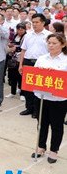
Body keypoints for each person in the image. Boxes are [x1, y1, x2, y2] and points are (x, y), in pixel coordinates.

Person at [31, 33, 67, 164]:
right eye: (49, 43)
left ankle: (54, 150)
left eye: (54, 43)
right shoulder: (42, 58)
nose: (50, 46)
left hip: (58, 99)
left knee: (56, 126)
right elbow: (34, 76)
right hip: (41, 97)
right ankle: (41, 147)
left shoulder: (65, 60)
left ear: (62, 45)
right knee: (41, 124)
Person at [18, 14, 50, 117]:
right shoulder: (28, 35)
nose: (34, 24)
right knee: (27, 88)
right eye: (33, 22)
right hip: (28, 62)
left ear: (43, 23)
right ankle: (29, 108)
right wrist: (21, 64)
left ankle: (37, 110)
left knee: (39, 88)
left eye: (37, 22)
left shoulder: (48, 35)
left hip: (41, 64)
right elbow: (23, 50)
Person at [6, 23, 27, 100]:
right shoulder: (15, 36)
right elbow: (11, 44)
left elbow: (24, 48)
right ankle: (12, 92)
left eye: (22, 29)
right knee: (12, 76)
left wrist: (15, 47)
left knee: (20, 76)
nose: (20, 31)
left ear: (25, 30)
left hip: (21, 58)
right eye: (18, 29)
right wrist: (11, 46)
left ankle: (22, 93)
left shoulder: (26, 37)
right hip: (13, 58)